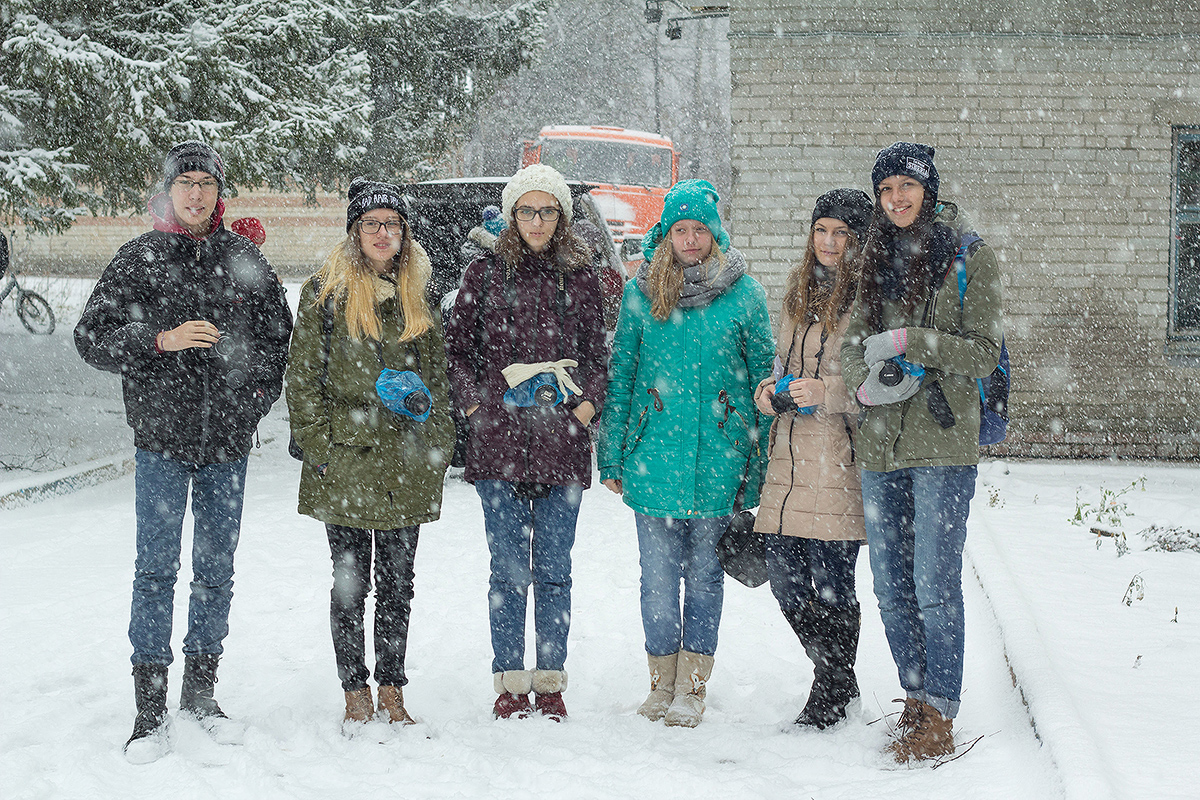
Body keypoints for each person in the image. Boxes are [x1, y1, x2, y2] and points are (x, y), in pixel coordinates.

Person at [74, 140, 292, 763]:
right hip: (161, 443)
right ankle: (149, 710)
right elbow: (90, 336)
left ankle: (201, 693)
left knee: (216, 570)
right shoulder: (139, 257)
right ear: (167, 191)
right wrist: (159, 340)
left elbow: (278, 341)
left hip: (226, 445)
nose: (196, 193)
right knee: (155, 570)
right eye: (185, 182)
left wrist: (249, 406)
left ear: (219, 193)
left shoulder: (243, 257)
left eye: (206, 183)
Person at [840, 143, 1003, 763]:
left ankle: (940, 712)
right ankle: (914, 697)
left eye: (906, 186)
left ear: (927, 191)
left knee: (934, 583)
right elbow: (854, 343)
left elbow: (983, 352)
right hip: (880, 446)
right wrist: (864, 383)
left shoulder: (969, 257)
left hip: (942, 445)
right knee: (890, 585)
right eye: (885, 190)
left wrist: (914, 341)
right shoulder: (873, 256)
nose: (896, 199)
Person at [597, 180, 774, 728]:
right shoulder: (640, 293)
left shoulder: (745, 295)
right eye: (681, 229)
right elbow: (621, 378)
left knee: (704, 579)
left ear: (715, 233)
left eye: (700, 229)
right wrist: (611, 455)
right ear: (666, 233)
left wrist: (759, 465)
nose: (691, 239)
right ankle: (661, 684)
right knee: (656, 581)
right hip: (652, 460)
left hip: (721, 461)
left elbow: (763, 387)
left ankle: (692, 688)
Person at [285, 178, 455, 731]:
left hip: (406, 460)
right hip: (346, 459)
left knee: (399, 584)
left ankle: (392, 686)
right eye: (372, 224)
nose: (383, 233)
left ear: (405, 233)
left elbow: (438, 381)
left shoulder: (418, 293)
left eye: (393, 224)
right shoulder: (326, 293)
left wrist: (437, 443)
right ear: (355, 231)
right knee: (350, 584)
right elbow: (303, 378)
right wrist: (320, 448)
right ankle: (354, 688)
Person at [444, 164, 608, 721]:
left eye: (547, 210)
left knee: (555, 569)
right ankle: (510, 681)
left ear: (562, 216)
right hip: (499, 445)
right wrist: (476, 409)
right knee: (508, 569)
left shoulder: (581, 278)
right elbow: (456, 352)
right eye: (527, 210)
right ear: (512, 215)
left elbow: (598, 355)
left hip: (563, 443)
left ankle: (551, 679)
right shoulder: (483, 273)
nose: (537, 221)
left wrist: (585, 410)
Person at [753, 188, 873, 730]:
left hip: (839, 462)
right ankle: (838, 680)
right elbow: (780, 365)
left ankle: (831, 692)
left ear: (858, 240)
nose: (828, 242)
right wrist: (768, 392)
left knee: (832, 586)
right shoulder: (796, 292)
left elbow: (880, 384)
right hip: (788, 462)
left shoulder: (869, 299)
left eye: (841, 233)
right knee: (785, 580)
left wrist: (828, 392)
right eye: (821, 230)